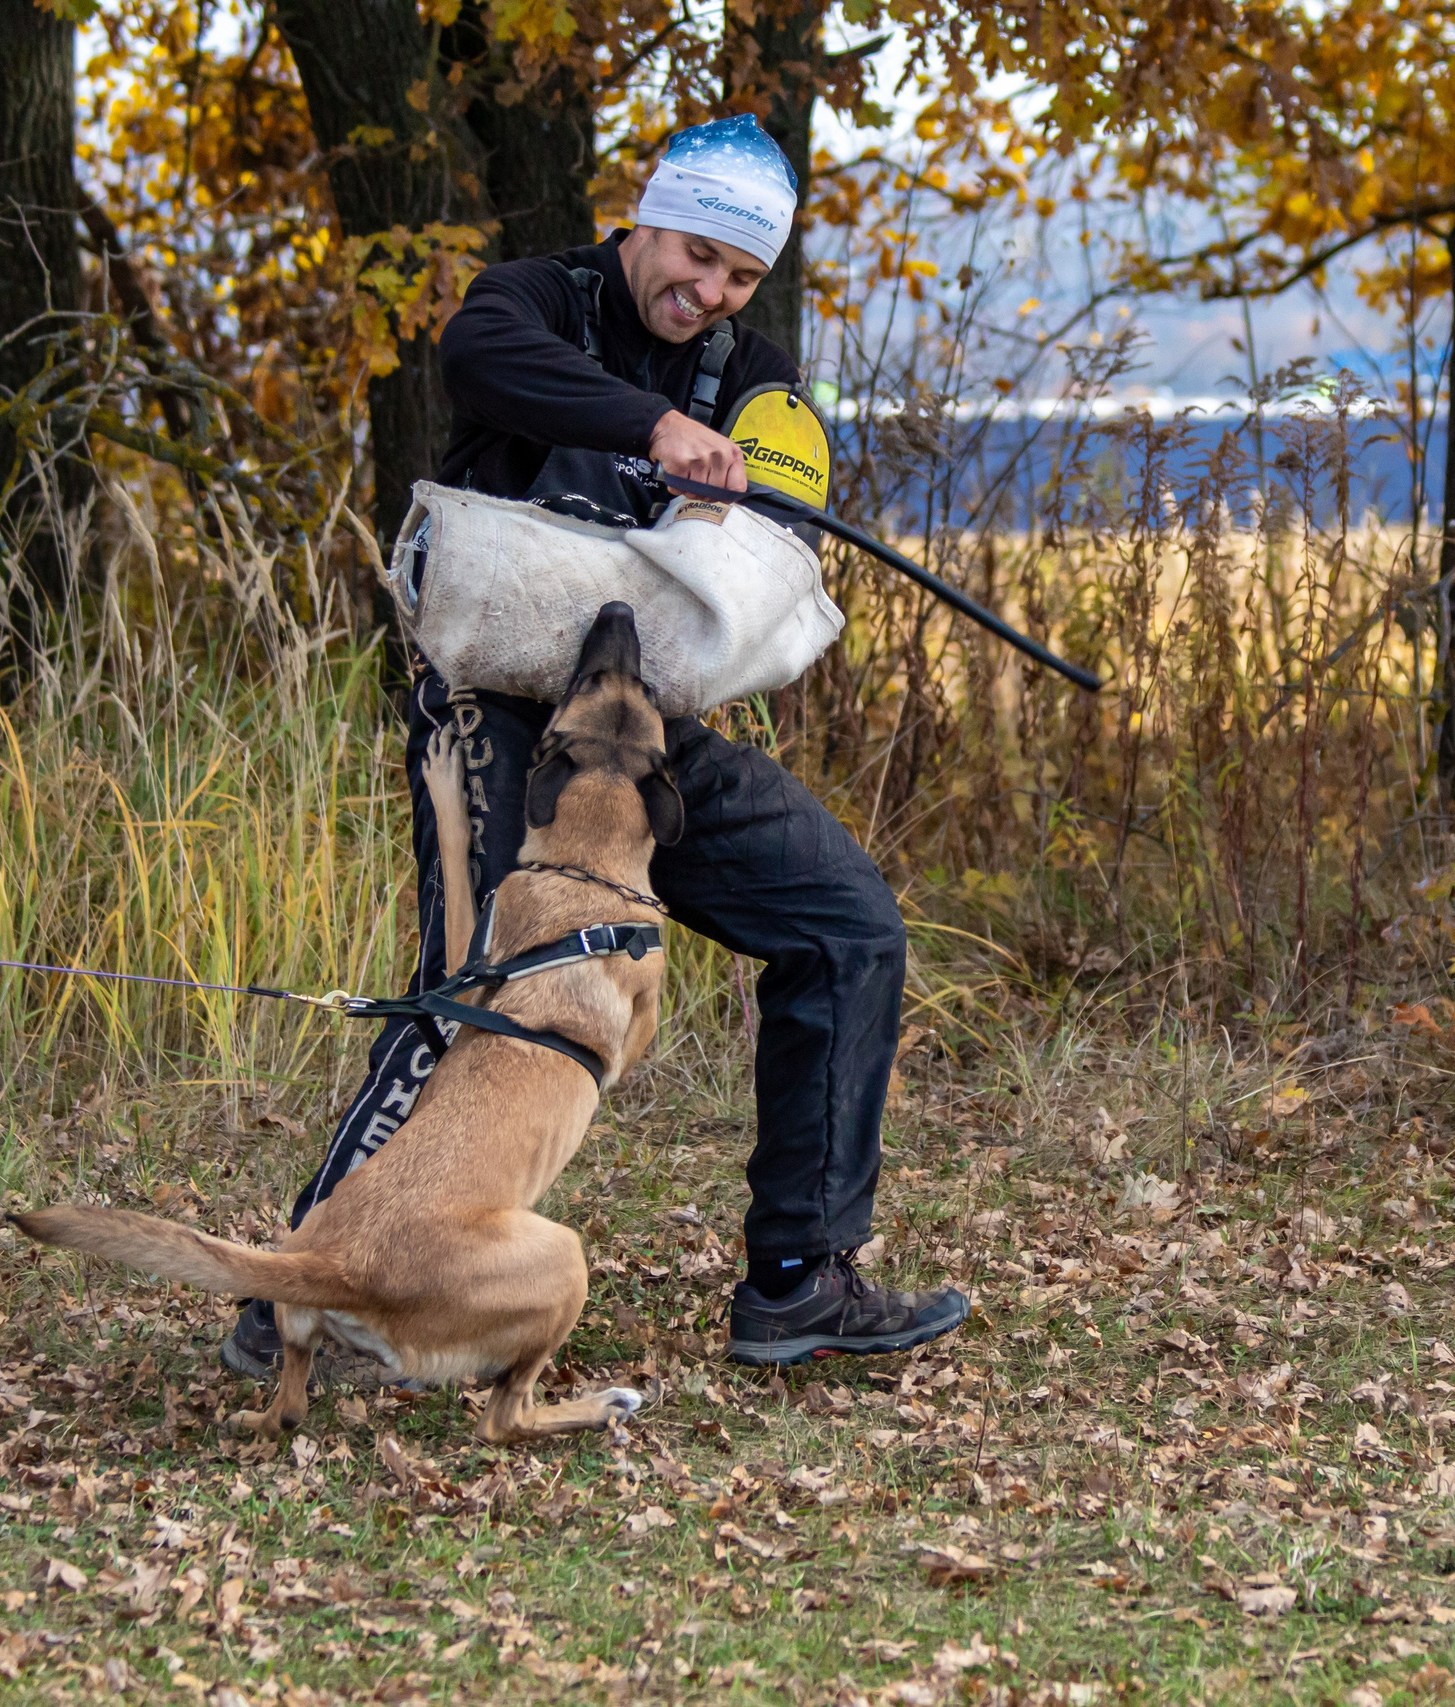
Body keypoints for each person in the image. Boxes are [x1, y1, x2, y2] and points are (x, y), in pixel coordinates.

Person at [222, 114, 968, 1374]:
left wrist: (761, 494)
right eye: (692, 252)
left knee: (845, 926)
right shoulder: (537, 300)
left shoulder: (754, 366)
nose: (709, 290)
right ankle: (293, 1299)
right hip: (490, 717)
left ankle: (800, 1282)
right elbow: (475, 358)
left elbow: (783, 502)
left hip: (649, 745)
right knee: (468, 980)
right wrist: (652, 429)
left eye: (739, 273)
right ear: (645, 217)